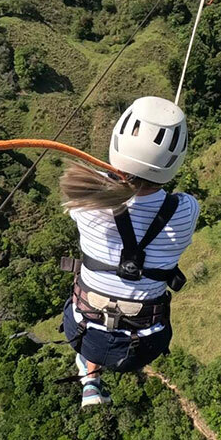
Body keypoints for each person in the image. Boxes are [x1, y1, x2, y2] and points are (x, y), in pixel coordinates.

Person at [58, 96, 199, 407]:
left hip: (81, 329)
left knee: (93, 317)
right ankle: (92, 378)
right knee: (111, 320)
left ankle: (90, 378)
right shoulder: (186, 209)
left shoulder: (85, 202)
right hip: (145, 344)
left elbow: (107, 184)